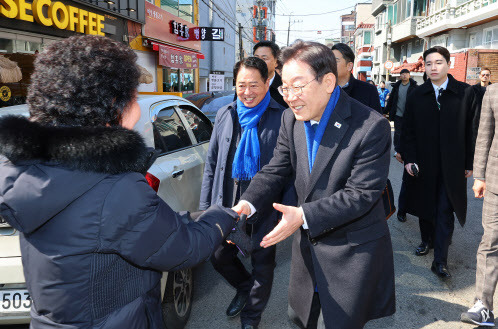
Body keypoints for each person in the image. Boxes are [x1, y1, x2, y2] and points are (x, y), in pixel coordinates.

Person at [0, 35, 238, 329]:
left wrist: (190, 217)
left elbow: (110, 229)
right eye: (135, 98)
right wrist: (224, 215)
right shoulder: (113, 187)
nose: (137, 109)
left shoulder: (26, 169)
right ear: (113, 105)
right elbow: (185, 248)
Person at [233, 40, 395, 329]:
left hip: (351, 254)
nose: (290, 97)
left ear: (329, 81)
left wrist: (304, 215)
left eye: (299, 86)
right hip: (308, 252)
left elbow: (361, 195)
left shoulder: (370, 126)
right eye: (285, 87)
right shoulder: (290, 120)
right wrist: (245, 204)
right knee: (303, 319)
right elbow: (275, 170)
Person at [199, 57, 288, 329]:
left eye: (253, 85)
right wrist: (206, 206)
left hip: (265, 211)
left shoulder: (283, 116)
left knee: (263, 265)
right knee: (218, 257)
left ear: (267, 83)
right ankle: (243, 286)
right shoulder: (226, 114)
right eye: (241, 85)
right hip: (227, 205)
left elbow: (289, 170)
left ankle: (251, 318)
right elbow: (212, 163)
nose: (247, 92)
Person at [401, 46, 474, 278]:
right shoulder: (417, 94)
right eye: (429, 63)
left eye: (439, 62)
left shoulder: (464, 93)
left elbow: (473, 131)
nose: (434, 67)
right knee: (425, 207)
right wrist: (409, 159)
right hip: (424, 164)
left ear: (448, 64)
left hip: (452, 165)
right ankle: (426, 241)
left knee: (444, 210)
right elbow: (408, 130)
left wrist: (470, 163)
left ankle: (440, 261)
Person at [461, 84, 498, 327]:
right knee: (490, 241)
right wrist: (480, 176)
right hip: (496, 181)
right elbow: (484, 135)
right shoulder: (493, 92)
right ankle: (483, 306)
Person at [385, 69, 418, 222]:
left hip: (410, 117)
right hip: (399, 115)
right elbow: (392, 100)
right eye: (402, 74)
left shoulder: (415, 88)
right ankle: (399, 149)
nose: (404, 76)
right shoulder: (397, 87)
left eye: (406, 73)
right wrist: (387, 111)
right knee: (398, 133)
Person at [331, 43, 382, 113]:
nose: (331, 64)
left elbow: (378, 121)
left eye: (336, 61)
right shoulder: (325, 89)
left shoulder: (368, 90)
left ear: (349, 66)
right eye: (330, 60)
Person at [253, 40, 288, 108]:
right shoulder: (244, 84)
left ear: (276, 62)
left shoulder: (284, 88)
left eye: (264, 58)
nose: (259, 62)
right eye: (256, 58)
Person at [465, 68, 492, 144]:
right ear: (480, 76)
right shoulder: (472, 89)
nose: (485, 76)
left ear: (490, 76)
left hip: (489, 120)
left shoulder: (494, 90)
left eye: (487, 75)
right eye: (483, 74)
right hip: (475, 120)